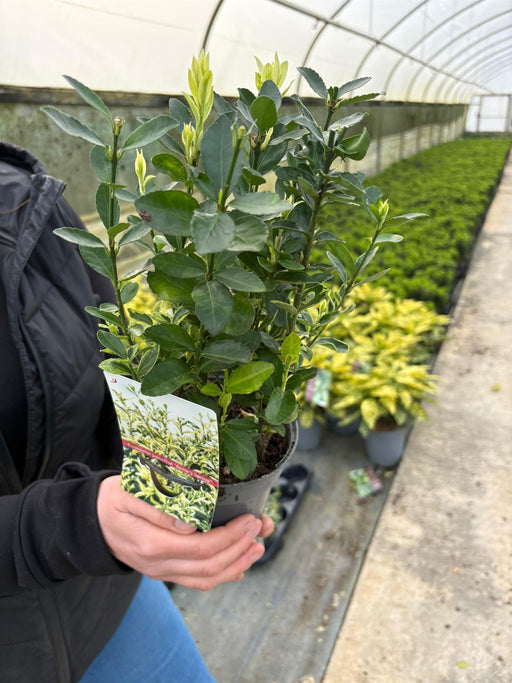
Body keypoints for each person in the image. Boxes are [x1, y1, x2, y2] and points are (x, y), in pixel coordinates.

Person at [0, 142, 273, 683]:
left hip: (106, 595)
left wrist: (180, 489)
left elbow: (113, 363)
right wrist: (73, 525)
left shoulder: (23, 196)